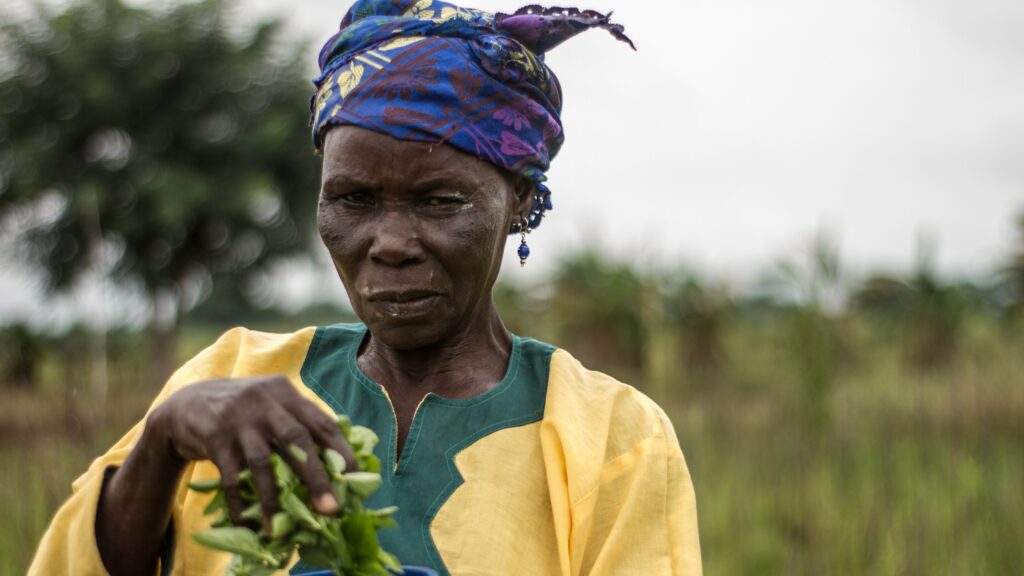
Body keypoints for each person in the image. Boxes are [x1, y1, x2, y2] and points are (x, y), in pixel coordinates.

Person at [30, 1, 702, 574]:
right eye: (353, 199)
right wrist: (162, 439)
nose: (390, 243)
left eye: (440, 201)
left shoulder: (614, 439)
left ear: (519, 201)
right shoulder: (228, 380)